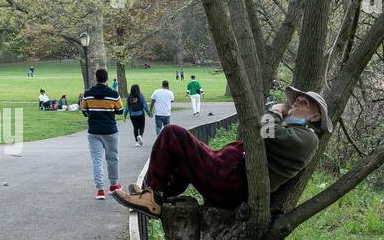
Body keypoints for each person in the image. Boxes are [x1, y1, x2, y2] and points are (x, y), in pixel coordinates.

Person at [113, 86, 331, 217]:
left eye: (303, 104)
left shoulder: (308, 138)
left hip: (233, 180)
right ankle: (154, 194)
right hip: (228, 172)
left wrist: (275, 110)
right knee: (179, 154)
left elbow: (265, 132)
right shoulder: (292, 130)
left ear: (315, 118)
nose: (294, 105)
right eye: (297, 101)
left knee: (173, 133)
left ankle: (152, 198)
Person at [79, 68, 123, 200]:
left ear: (96, 78)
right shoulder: (113, 94)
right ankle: (114, 185)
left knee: (97, 161)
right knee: (112, 158)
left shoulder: (87, 94)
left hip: (94, 131)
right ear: (107, 79)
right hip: (110, 131)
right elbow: (120, 110)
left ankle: (100, 190)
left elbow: (84, 110)